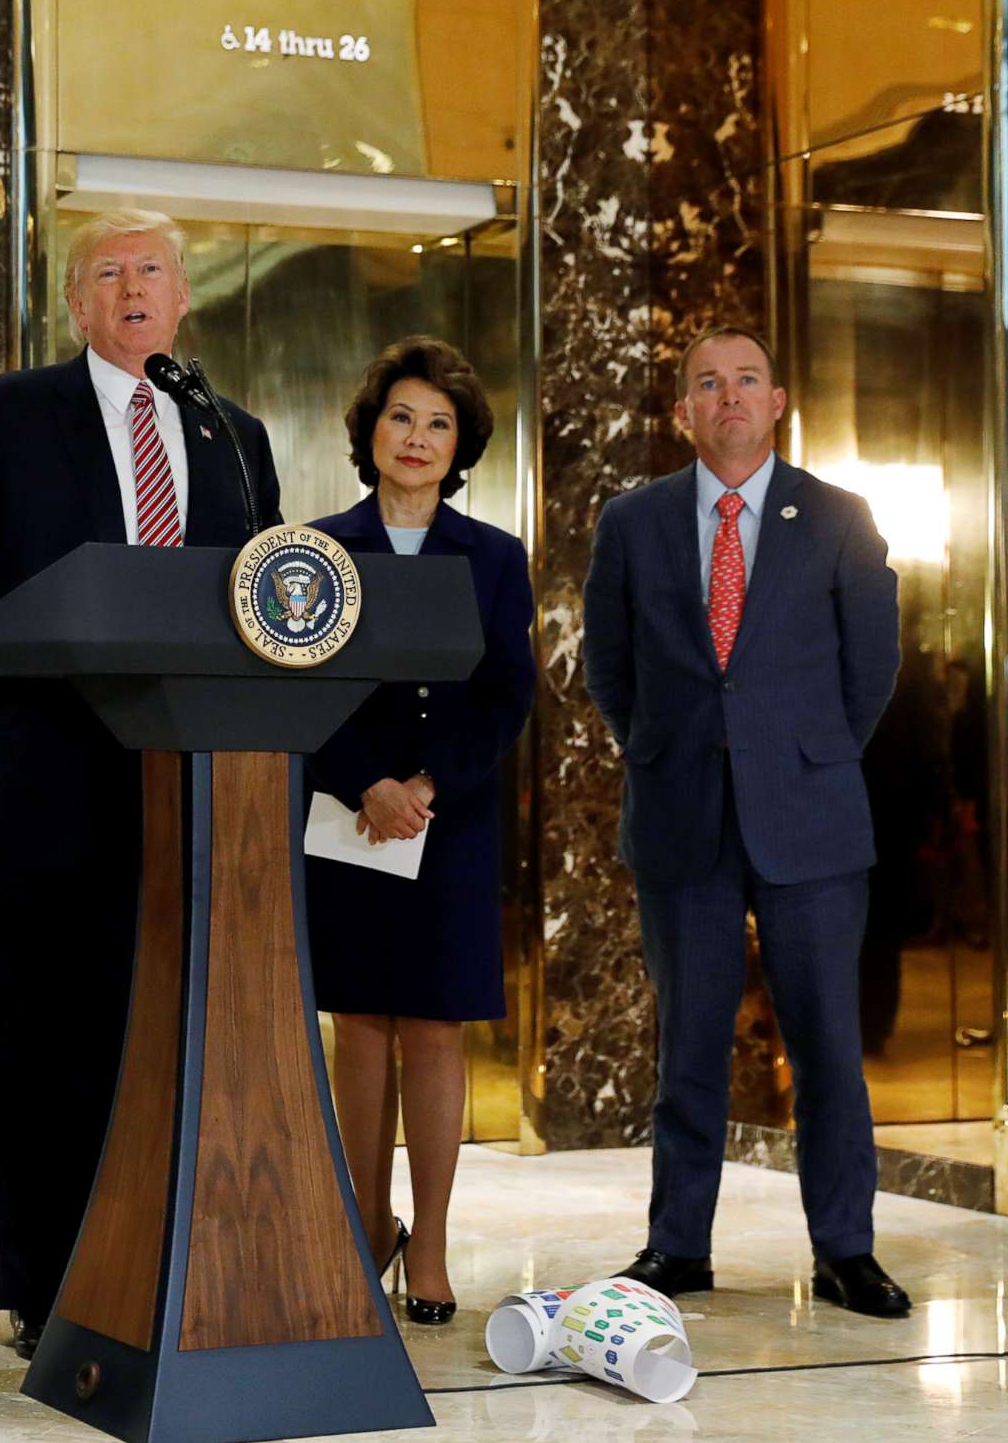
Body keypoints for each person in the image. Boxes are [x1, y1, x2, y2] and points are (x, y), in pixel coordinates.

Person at [0, 209, 282, 1358]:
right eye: (106, 272)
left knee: (163, 1045)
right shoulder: (8, 413)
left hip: (189, 788)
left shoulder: (230, 434)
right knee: (34, 1050)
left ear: (184, 292)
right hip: (32, 792)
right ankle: (48, 1286)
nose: (131, 285)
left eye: (152, 266)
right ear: (76, 305)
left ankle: (165, 1262)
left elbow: (265, 597)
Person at [581, 325, 910, 1318]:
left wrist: (805, 751)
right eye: (707, 384)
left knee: (825, 1045)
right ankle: (677, 1248)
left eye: (747, 381)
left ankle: (846, 1251)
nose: (729, 398)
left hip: (808, 816)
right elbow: (609, 665)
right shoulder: (632, 522)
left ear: (777, 402)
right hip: (683, 814)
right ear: (683, 410)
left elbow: (872, 667)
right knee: (687, 1044)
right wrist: (663, 745)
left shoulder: (840, 517)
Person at [301, 337, 534, 1326]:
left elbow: (508, 693)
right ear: (370, 431)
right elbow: (297, 683)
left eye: (439, 423)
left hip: (452, 815)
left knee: (435, 1031)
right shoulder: (315, 550)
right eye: (402, 417)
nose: (418, 437)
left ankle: (430, 1248)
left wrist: (428, 785)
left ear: (461, 444)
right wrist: (370, 782)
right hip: (348, 813)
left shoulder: (493, 558)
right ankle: (368, 1223)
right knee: (359, 1025)